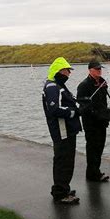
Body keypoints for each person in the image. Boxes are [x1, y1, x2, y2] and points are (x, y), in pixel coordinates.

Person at [42, 57, 82, 204]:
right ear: (59, 71)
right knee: (63, 160)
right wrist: (74, 112)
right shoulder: (52, 87)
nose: (69, 74)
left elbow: (66, 100)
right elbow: (54, 109)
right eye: (67, 71)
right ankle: (60, 193)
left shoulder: (59, 86)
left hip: (68, 130)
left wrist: (79, 103)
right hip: (62, 131)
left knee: (67, 160)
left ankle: (63, 188)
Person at [76, 60, 110, 182]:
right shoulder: (84, 85)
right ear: (90, 70)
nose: (99, 71)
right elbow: (82, 106)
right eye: (97, 69)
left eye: (100, 69)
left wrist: (106, 114)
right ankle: (92, 173)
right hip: (91, 122)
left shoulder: (102, 83)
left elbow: (104, 101)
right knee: (92, 147)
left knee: (100, 146)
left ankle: (95, 171)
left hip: (102, 120)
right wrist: (95, 114)